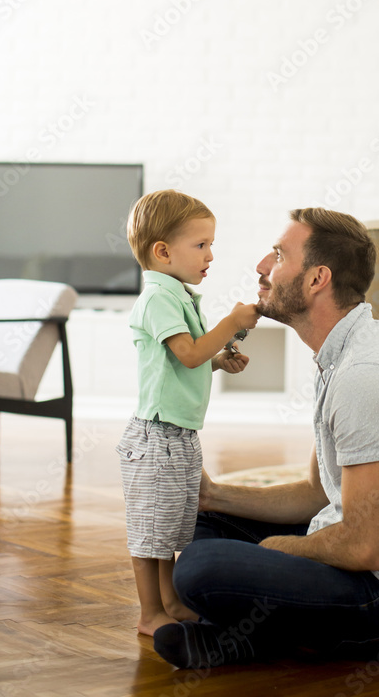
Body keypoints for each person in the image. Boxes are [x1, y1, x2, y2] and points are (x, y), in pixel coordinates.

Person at [153, 207, 379, 669]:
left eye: (279, 255)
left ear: (318, 278)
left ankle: (255, 639)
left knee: (201, 570)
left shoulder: (366, 377)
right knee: (207, 526)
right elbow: (317, 493)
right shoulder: (343, 352)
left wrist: (271, 552)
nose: (262, 265)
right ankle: (250, 637)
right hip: (363, 563)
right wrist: (214, 495)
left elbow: (366, 547)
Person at [116, 189, 259, 636]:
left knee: (171, 528)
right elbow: (191, 353)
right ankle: (149, 613)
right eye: (201, 245)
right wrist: (231, 324)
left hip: (177, 436)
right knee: (149, 533)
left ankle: (170, 601)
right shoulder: (158, 299)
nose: (210, 255)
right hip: (155, 437)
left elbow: (187, 360)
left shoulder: (177, 296)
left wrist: (219, 359)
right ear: (162, 252)